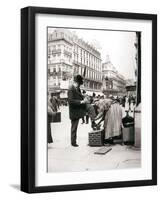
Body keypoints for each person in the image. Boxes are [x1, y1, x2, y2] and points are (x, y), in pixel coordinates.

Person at [68, 74, 97, 147]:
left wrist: (85, 97)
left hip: (79, 108)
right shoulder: (71, 89)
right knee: (74, 127)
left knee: (91, 107)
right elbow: (70, 101)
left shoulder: (77, 88)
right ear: (76, 82)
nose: (79, 86)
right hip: (74, 110)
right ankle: (73, 142)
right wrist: (81, 102)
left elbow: (80, 96)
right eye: (79, 84)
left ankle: (93, 122)